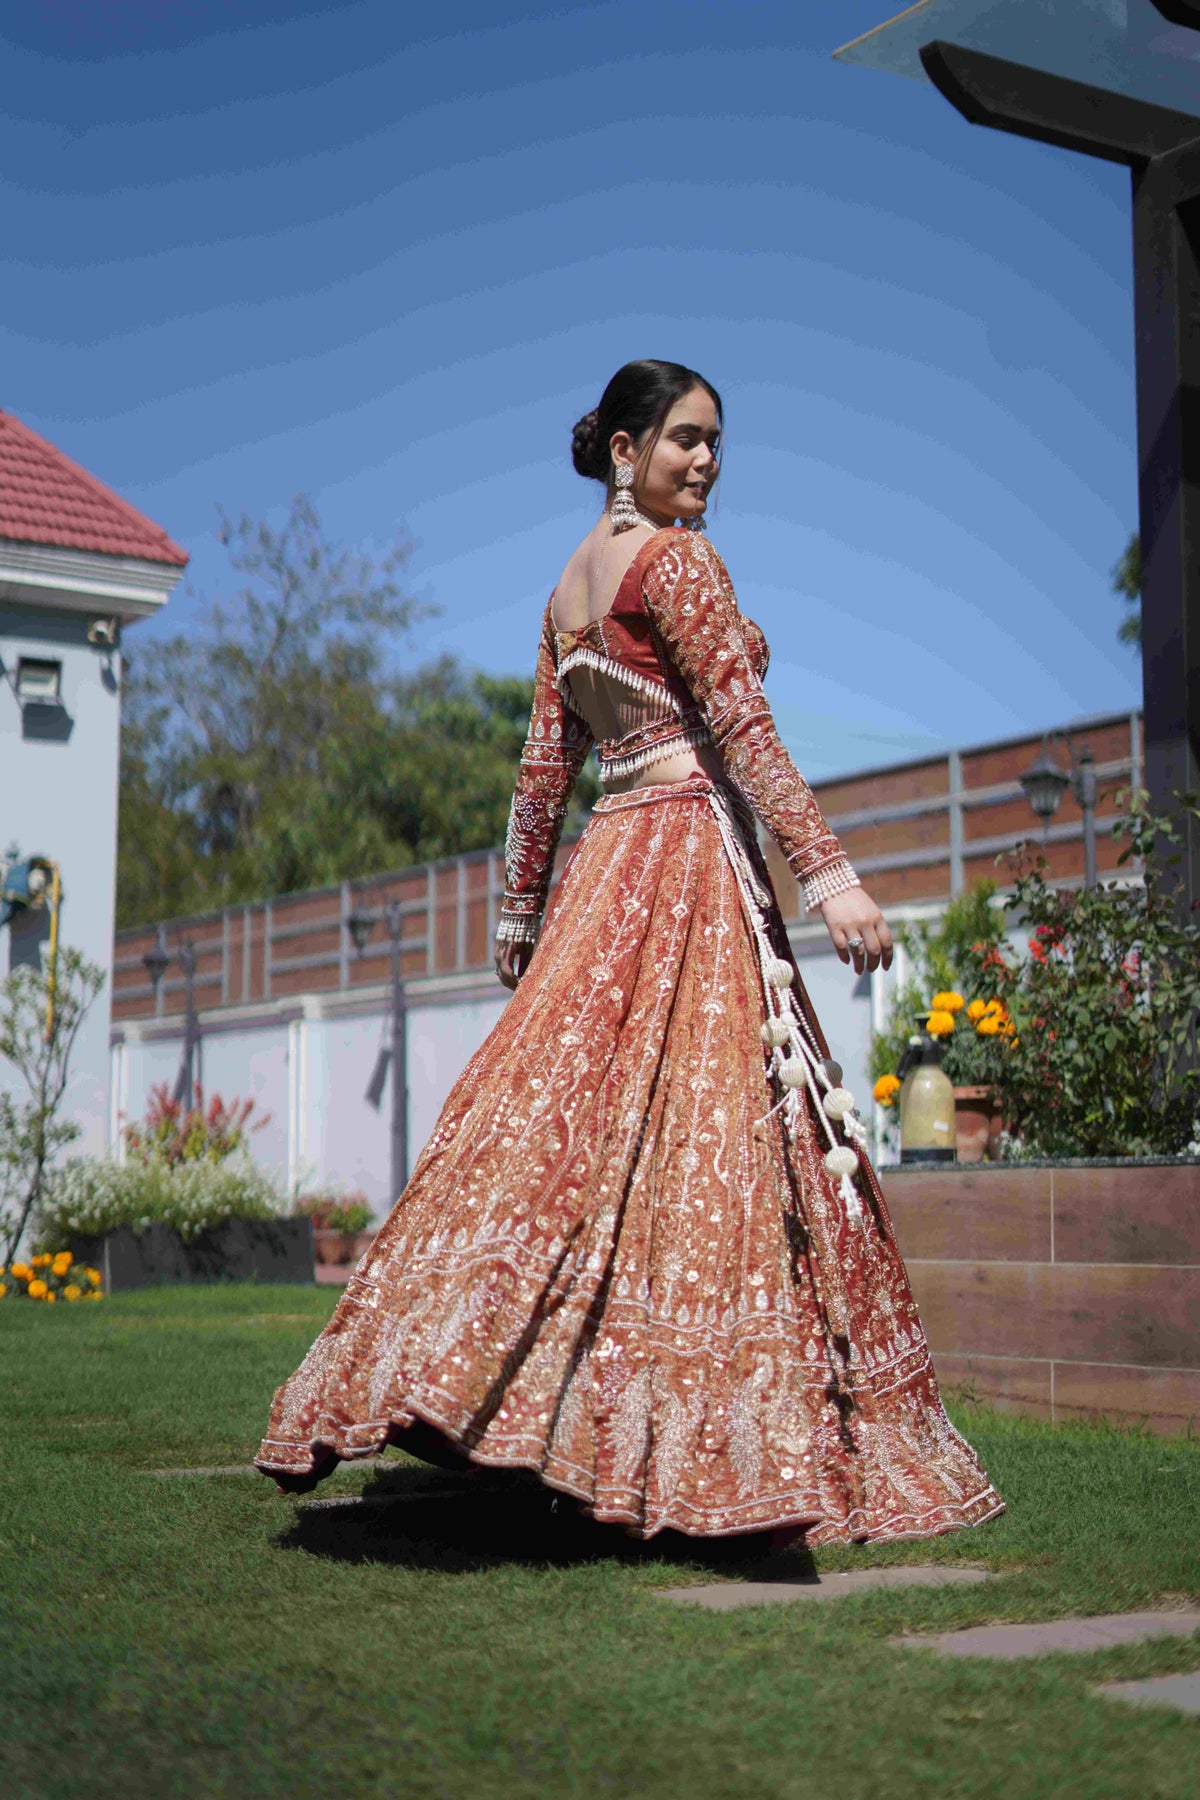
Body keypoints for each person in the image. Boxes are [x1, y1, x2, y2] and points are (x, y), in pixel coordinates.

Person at [255, 359, 1003, 1545]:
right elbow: (743, 733)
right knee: (716, 1139)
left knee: (581, 1140)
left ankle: (537, 1418)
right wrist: (835, 874)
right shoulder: (679, 561)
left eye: (716, 445)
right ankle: (712, 1455)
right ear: (622, 449)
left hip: (610, 866)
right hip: (691, 858)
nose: (704, 462)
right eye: (684, 441)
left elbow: (547, 772)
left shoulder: (564, 590)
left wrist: (518, 913)